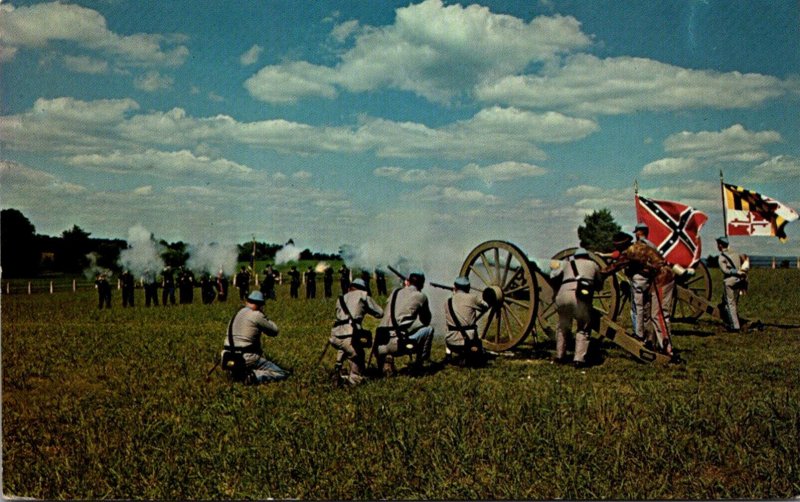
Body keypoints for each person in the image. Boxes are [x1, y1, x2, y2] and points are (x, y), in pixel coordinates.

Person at [602, 232, 674, 356]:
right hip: (658, 277)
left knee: (658, 314)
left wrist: (600, 273)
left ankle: (667, 349)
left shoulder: (630, 252)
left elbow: (615, 266)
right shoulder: (638, 246)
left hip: (662, 278)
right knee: (651, 313)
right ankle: (651, 341)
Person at [549, 248, 603, 368]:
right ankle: (579, 359)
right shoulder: (593, 264)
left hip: (563, 297)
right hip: (580, 298)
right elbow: (599, 283)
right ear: (586, 256)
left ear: (575, 257)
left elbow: (553, 276)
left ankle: (560, 356)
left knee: (563, 326)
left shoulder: (567, 264)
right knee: (583, 328)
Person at [220, 291, 288, 384]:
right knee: (280, 373)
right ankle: (251, 376)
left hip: (227, 355)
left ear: (247, 302)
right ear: (260, 305)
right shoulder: (256, 314)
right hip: (245, 357)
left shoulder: (237, 313)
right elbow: (274, 331)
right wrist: (264, 316)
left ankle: (237, 374)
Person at [375, 270, 434, 376]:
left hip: (380, 343)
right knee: (429, 330)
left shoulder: (395, 292)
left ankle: (385, 359)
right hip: (398, 344)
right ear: (422, 284)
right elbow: (426, 321)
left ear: (408, 282)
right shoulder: (421, 296)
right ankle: (420, 364)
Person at [329, 278, 383, 386]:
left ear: (350, 288)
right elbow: (380, 313)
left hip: (335, 336)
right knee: (358, 354)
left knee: (344, 347)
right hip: (350, 335)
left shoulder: (341, 298)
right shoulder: (363, 295)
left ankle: (338, 366)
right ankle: (352, 379)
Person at [443, 276, 489, 366]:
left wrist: (454, 294)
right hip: (468, 342)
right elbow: (486, 306)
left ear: (455, 287)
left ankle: (448, 354)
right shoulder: (472, 298)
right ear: (468, 287)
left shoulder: (448, 301)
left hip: (451, 342)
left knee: (448, 325)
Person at [716, 236, 747, 332]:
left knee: (730, 304)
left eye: (718, 244)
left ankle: (735, 326)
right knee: (734, 303)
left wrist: (735, 272)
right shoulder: (735, 253)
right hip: (740, 280)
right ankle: (734, 321)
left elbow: (725, 270)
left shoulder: (722, 257)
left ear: (720, 245)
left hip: (730, 281)